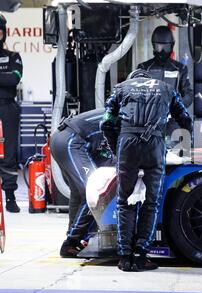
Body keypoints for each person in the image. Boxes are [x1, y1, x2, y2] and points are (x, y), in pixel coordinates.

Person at [101, 69, 192, 272]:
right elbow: (186, 120)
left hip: (127, 145)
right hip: (155, 146)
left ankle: (125, 257)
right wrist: (183, 146)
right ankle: (142, 256)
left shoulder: (120, 88)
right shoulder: (167, 89)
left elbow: (106, 122)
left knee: (124, 201)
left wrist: (117, 147)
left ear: (132, 78)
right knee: (151, 202)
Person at [51, 109, 115, 258]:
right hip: (72, 141)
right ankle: (71, 242)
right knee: (95, 192)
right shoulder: (128, 120)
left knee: (79, 194)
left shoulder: (122, 112)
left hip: (62, 139)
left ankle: (76, 239)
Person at [137, 25, 193, 142]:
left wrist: (175, 107)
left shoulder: (179, 69)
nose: (162, 51)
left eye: (165, 47)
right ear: (153, 46)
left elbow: (188, 94)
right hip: (149, 122)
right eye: (159, 47)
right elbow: (135, 93)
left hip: (173, 122)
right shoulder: (144, 68)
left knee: (175, 154)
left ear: (171, 46)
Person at [0, 14, 23, 213]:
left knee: (9, 154)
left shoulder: (14, 56)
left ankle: (10, 196)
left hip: (7, 107)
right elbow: (6, 78)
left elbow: (13, 79)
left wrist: (6, 78)